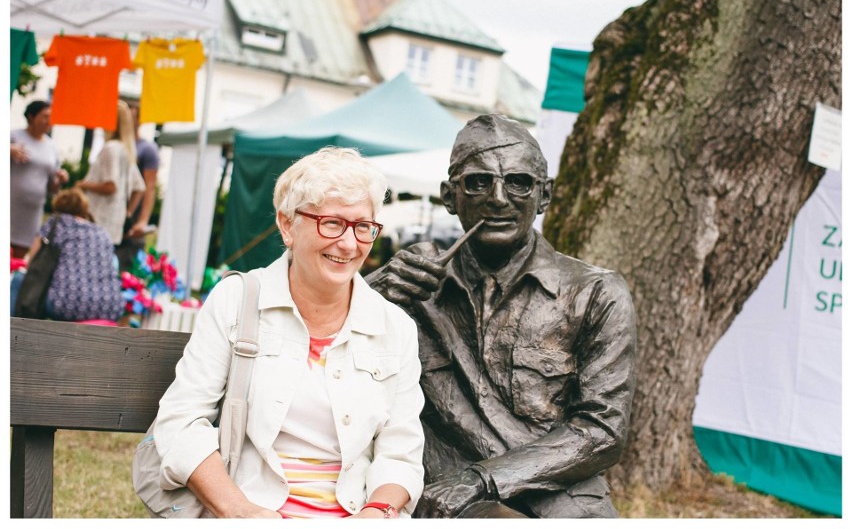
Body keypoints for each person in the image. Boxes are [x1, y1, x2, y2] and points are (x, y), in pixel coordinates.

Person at [366, 114, 637, 518]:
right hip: (437, 496)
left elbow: (602, 432)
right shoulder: (409, 285)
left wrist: (480, 480)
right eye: (478, 182)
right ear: (449, 196)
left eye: (519, 182)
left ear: (544, 196)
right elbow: (319, 367)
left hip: (559, 497)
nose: (498, 198)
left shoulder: (595, 293)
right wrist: (364, 297)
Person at [152, 147, 425, 518]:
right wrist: (241, 511)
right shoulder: (238, 301)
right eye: (332, 223)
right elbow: (181, 423)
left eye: (363, 227)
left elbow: (401, 453)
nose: (349, 244)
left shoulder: (396, 328)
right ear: (286, 225)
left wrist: (376, 512)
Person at [17, 187, 124, 322]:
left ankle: (12, 333)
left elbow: (32, 262)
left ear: (58, 207)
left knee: (19, 280)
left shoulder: (56, 222)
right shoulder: (102, 232)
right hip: (111, 306)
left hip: (68, 304)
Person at [77, 100, 145, 248]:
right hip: (114, 223)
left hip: (97, 219)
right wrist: (127, 213)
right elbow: (140, 187)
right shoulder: (126, 150)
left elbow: (110, 186)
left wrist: (83, 184)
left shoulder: (111, 148)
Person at [10, 100, 69, 258]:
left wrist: (59, 179)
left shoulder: (52, 146)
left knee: (19, 256)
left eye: (51, 117)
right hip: (10, 205)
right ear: (31, 117)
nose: (48, 121)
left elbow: (52, 187)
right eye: (44, 116)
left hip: (32, 211)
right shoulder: (13, 136)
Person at [116, 99, 160, 271]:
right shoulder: (116, 144)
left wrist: (142, 221)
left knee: (125, 271)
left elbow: (149, 186)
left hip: (131, 222)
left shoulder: (147, 149)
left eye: (132, 116)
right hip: (114, 217)